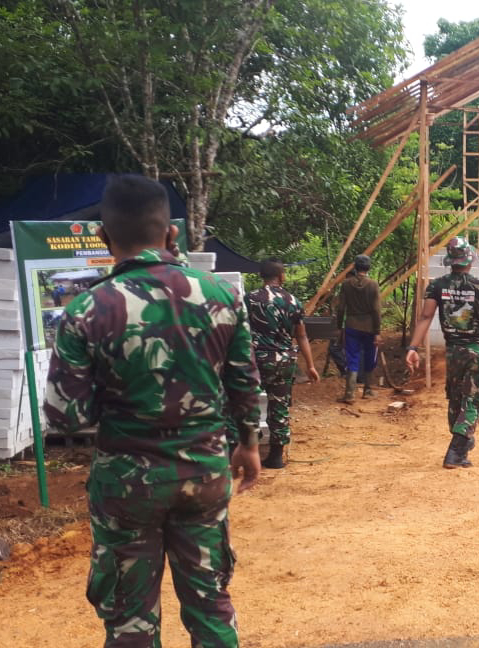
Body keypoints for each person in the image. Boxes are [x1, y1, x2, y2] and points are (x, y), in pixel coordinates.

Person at [44, 174, 262, 648]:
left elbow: (66, 417)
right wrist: (248, 445)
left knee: (129, 619)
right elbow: (245, 383)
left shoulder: (86, 310)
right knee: (210, 605)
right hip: (204, 474)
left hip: (126, 483)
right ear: (173, 234)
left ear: (104, 237)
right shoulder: (223, 297)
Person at [405, 237, 479, 469]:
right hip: (478, 351)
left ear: (450, 261)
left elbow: (425, 317)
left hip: (454, 351)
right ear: (470, 260)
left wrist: (413, 348)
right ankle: (456, 450)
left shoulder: (437, 285)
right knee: (474, 397)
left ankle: (463, 445)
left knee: (456, 398)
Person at [245, 259, 319, 469]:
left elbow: (239, 329)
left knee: (247, 405)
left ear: (262, 276)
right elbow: (302, 336)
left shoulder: (250, 299)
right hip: (285, 361)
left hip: (256, 360)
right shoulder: (293, 301)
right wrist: (311, 365)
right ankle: (276, 456)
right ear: (281, 276)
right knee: (280, 406)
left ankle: (245, 452)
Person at [336, 254, 381, 403]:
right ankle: (368, 390)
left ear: (355, 267)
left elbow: (341, 308)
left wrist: (339, 327)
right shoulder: (373, 285)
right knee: (369, 356)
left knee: (352, 357)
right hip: (369, 327)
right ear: (368, 268)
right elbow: (376, 310)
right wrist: (377, 332)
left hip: (352, 325)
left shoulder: (346, 284)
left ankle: (349, 393)